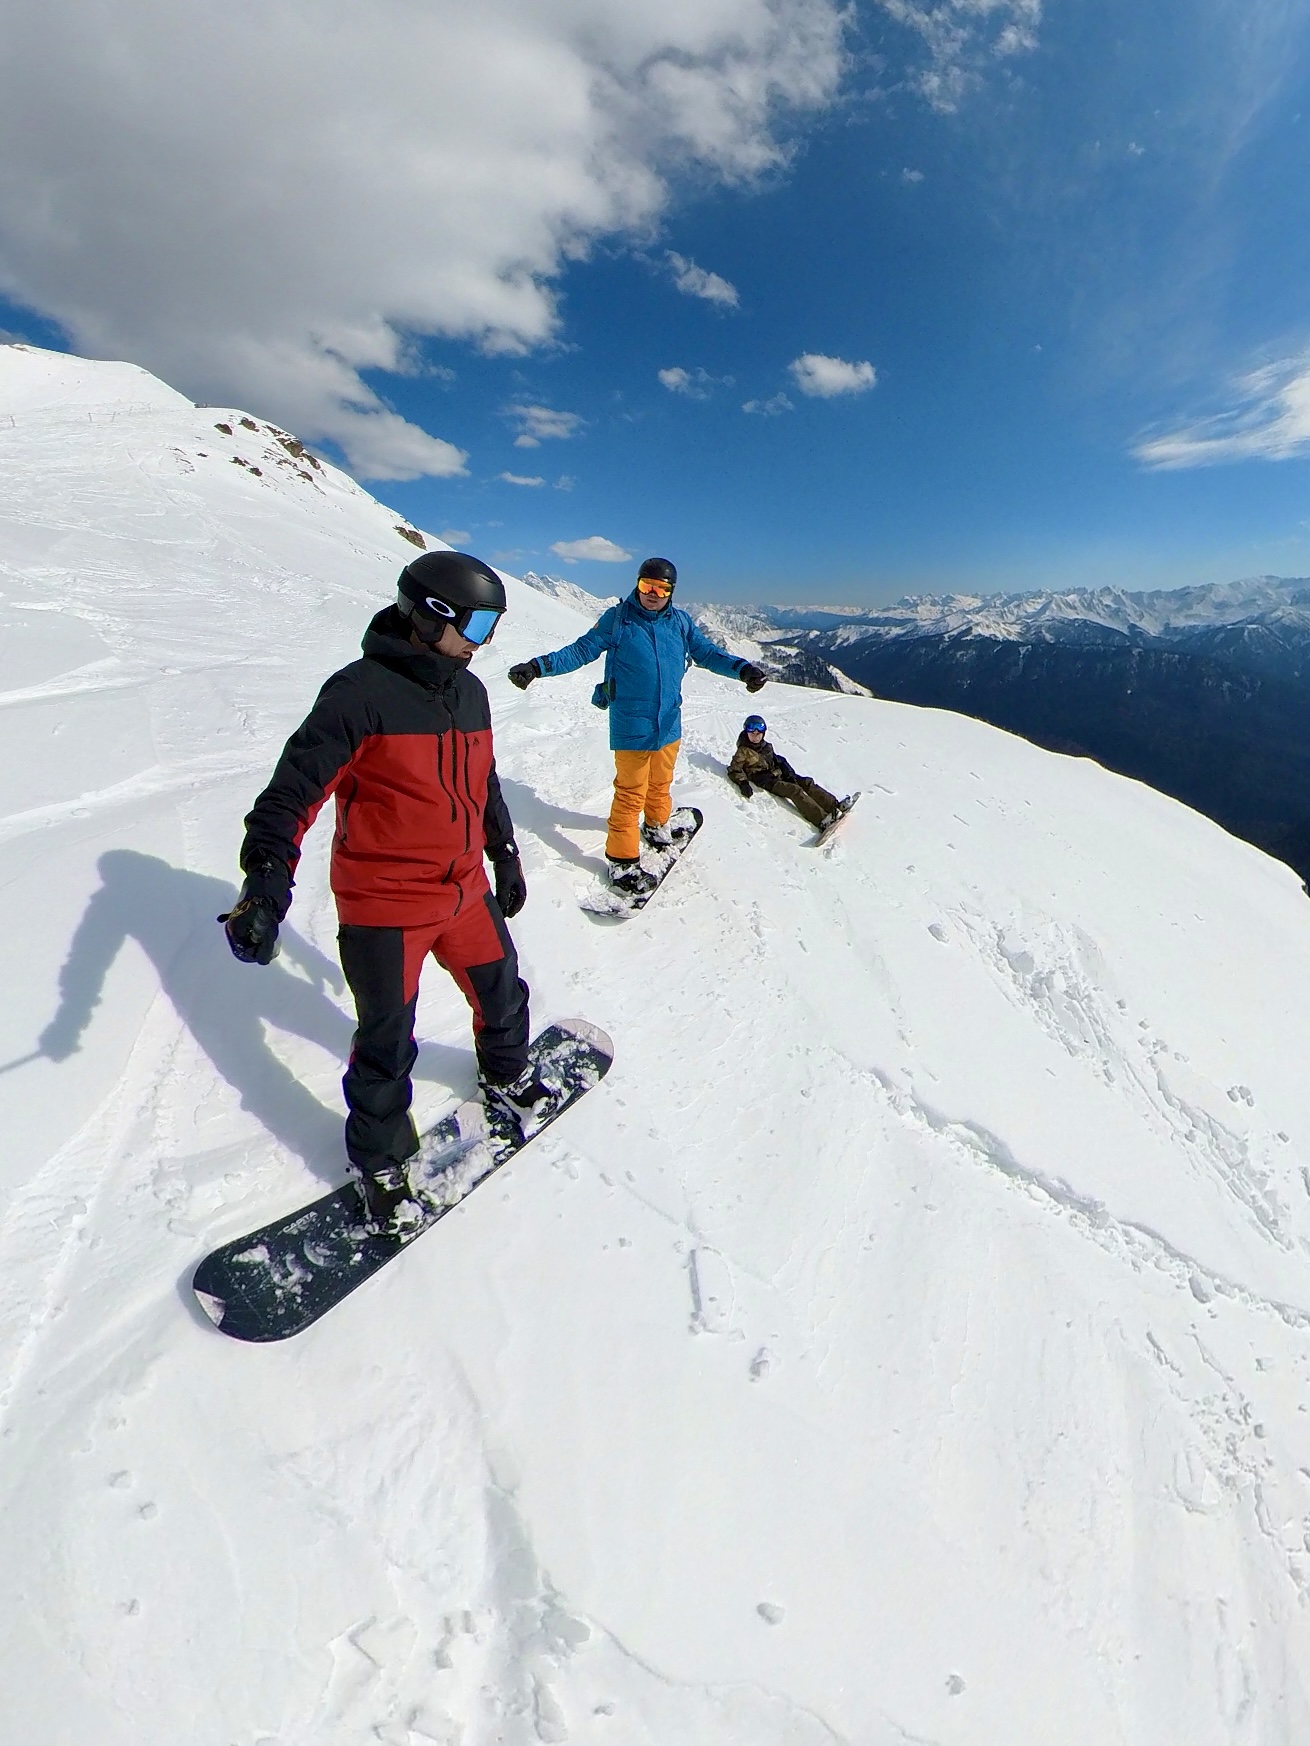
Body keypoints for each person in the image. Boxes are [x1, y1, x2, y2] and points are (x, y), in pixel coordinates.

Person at [220, 550, 540, 1237]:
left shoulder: (470, 691)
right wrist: (265, 885)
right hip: (386, 905)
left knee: (504, 991)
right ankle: (383, 1165)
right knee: (386, 1047)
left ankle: (508, 1074)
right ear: (431, 618)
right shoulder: (358, 694)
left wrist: (504, 851)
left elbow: (482, 782)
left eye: (494, 628)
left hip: (462, 889)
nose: (485, 644)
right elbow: (289, 796)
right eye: (479, 626)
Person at [508, 557, 767, 895]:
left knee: (661, 783)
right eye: (647, 586)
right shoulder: (618, 620)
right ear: (637, 584)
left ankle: (657, 826)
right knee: (631, 794)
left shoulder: (681, 623)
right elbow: (581, 651)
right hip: (632, 725)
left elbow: (707, 653)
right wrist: (537, 667)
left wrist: (742, 668)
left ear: (672, 592)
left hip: (669, 722)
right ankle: (622, 860)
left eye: (662, 588)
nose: (653, 594)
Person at [727, 715, 847, 832]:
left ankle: (834, 806)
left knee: (806, 782)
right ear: (746, 733)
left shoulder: (765, 746)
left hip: (779, 774)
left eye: (758, 734)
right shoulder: (743, 751)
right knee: (794, 790)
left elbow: (779, 760)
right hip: (768, 781)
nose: (755, 737)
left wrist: (789, 773)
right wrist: (743, 783)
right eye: (752, 734)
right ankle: (822, 820)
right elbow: (734, 769)